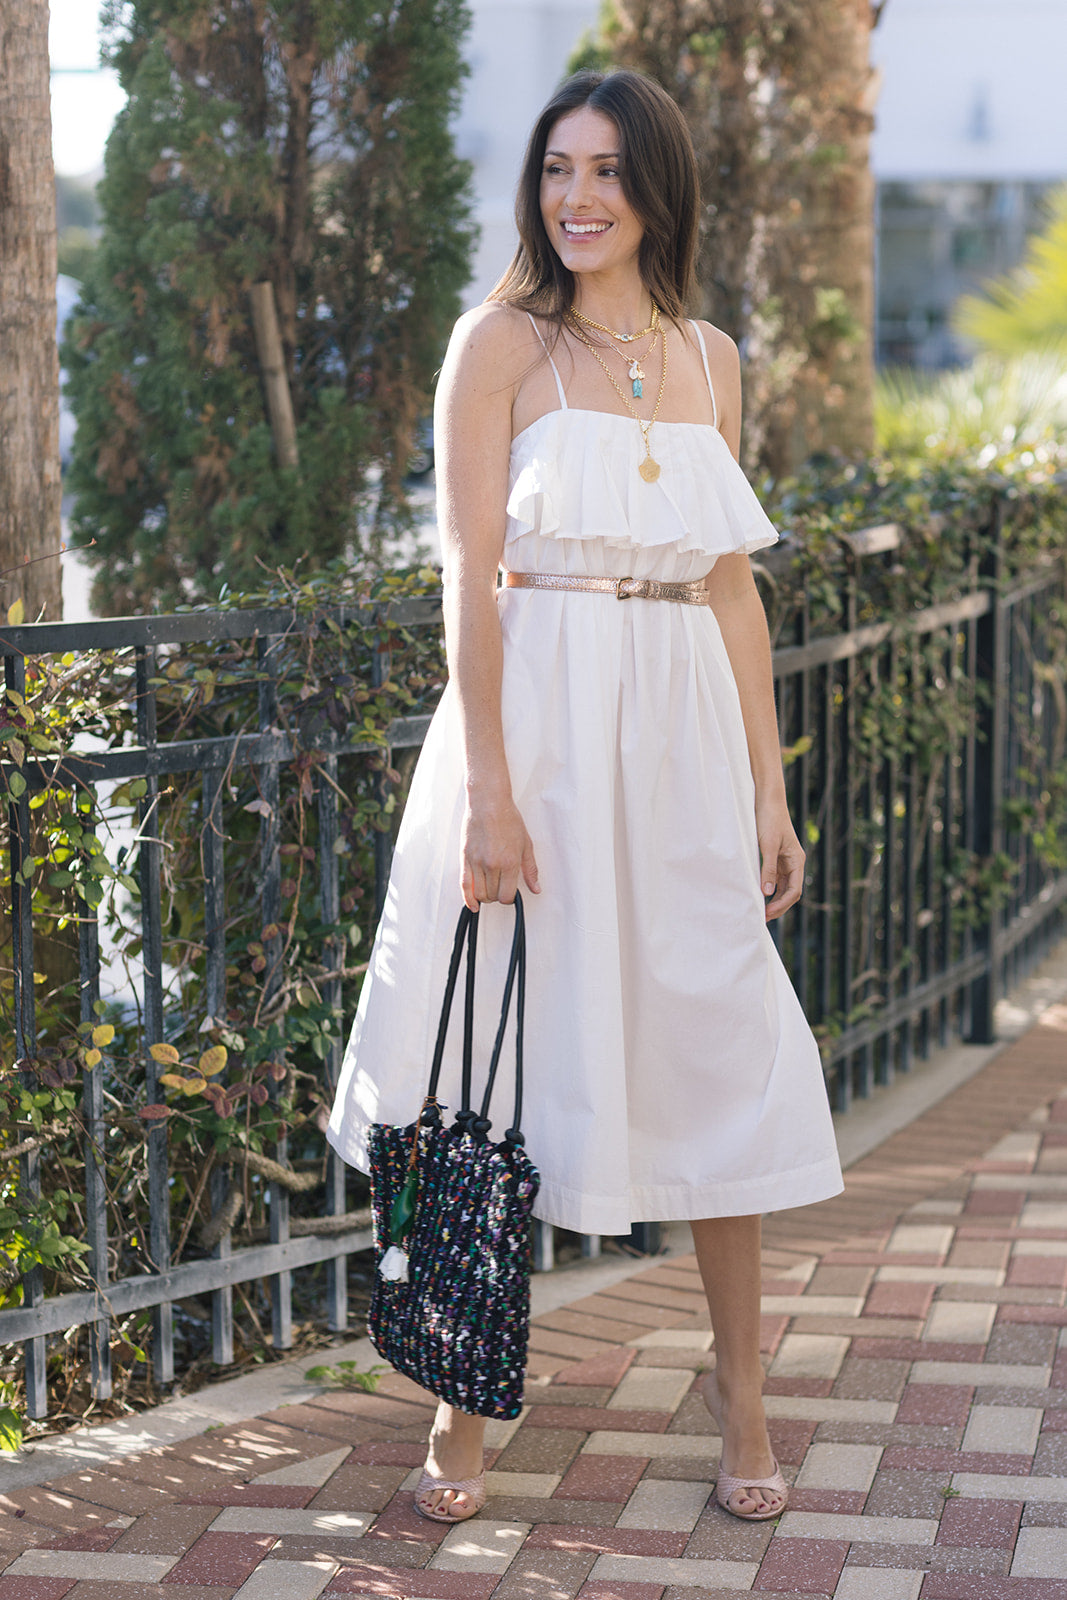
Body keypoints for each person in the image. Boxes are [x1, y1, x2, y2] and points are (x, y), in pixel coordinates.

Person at [327, 67, 843, 1526]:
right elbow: (466, 582)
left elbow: (731, 586)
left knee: (720, 1041)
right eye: (558, 169)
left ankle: (741, 1388)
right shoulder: (497, 343)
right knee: (497, 1068)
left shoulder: (708, 355)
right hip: (540, 729)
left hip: (679, 732)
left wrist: (767, 788)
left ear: (656, 188)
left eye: (608, 171)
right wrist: (490, 790)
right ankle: (461, 1393)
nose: (578, 197)